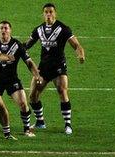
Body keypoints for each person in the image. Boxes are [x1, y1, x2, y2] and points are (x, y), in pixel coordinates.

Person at [26, 3, 85, 134]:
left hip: (59, 67)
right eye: (46, 12)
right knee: (33, 95)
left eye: (51, 12)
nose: (48, 14)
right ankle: (40, 122)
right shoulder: (38, 30)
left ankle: (68, 124)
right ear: (43, 14)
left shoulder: (63, 28)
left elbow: (76, 45)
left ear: (55, 13)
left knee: (62, 91)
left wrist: (80, 55)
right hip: (43, 68)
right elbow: (27, 45)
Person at [0, 21, 41, 137]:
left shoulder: (17, 45)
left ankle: (27, 130)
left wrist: (36, 74)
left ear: (10, 30)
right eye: (1, 28)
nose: (3, 30)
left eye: (6, 28)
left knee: (23, 103)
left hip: (12, 80)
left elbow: (29, 62)